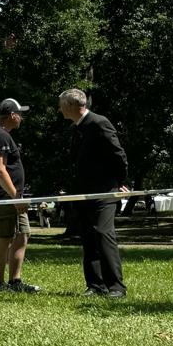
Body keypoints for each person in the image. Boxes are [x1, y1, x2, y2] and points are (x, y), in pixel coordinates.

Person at [58, 88, 129, 297]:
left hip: (104, 191)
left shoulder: (99, 123)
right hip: (83, 192)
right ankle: (96, 285)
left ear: (72, 106)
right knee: (88, 237)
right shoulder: (75, 128)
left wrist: (120, 182)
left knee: (103, 234)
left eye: (61, 105)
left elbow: (118, 155)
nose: (59, 109)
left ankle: (116, 287)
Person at [0, 98, 39, 294]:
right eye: (20, 114)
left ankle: (15, 282)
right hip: (8, 197)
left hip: (8, 196)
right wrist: (15, 197)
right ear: (12, 115)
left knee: (22, 234)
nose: (21, 118)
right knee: (4, 238)